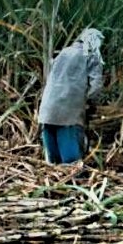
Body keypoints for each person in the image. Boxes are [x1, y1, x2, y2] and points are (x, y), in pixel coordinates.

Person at [38, 28, 104, 164]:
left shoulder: (64, 52)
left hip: (47, 108)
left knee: (52, 161)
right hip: (69, 111)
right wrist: (91, 104)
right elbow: (96, 85)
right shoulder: (91, 56)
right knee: (70, 162)